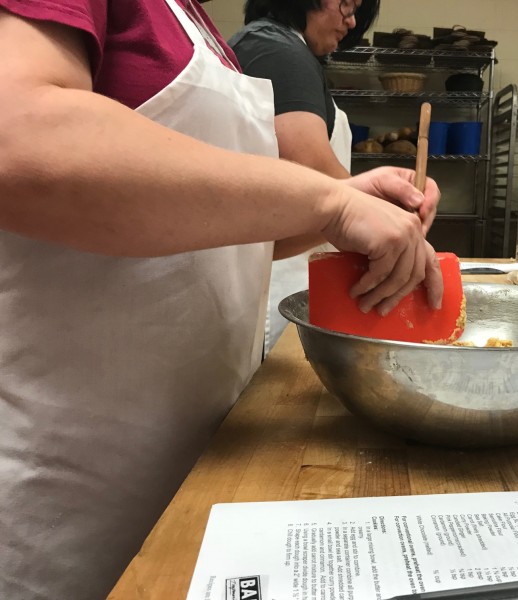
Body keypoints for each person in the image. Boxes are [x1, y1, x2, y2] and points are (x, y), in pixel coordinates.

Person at [0, 2, 443, 599]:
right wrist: (329, 204)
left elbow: (218, 227)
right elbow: (17, 134)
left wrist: (344, 198)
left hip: (195, 458)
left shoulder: (194, 23)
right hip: (74, 483)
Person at [230, 0, 439, 351]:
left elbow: (326, 191)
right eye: (346, 3)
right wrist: (389, 221)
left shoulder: (280, 48)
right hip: (277, 293)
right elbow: (311, 168)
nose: (352, 20)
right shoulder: (278, 51)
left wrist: (382, 199)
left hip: (286, 263)